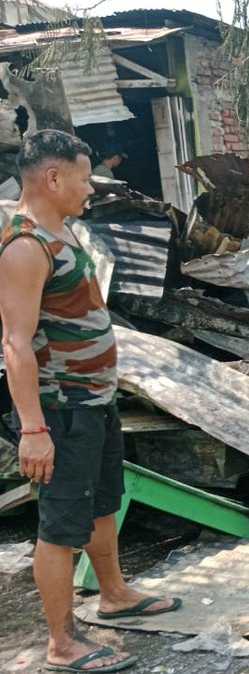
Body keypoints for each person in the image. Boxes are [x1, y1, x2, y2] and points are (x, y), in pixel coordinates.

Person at [0, 130, 180, 673]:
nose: (91, 189)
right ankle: (62, 643)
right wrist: (33, 427)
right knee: (62, 525)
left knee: (104, 503)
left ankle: (115, 595)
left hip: (95, 400)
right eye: (83, 178)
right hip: (63, 410)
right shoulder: (26, 248)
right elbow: (14, 342)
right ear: (53, 179)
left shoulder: (63, 231)